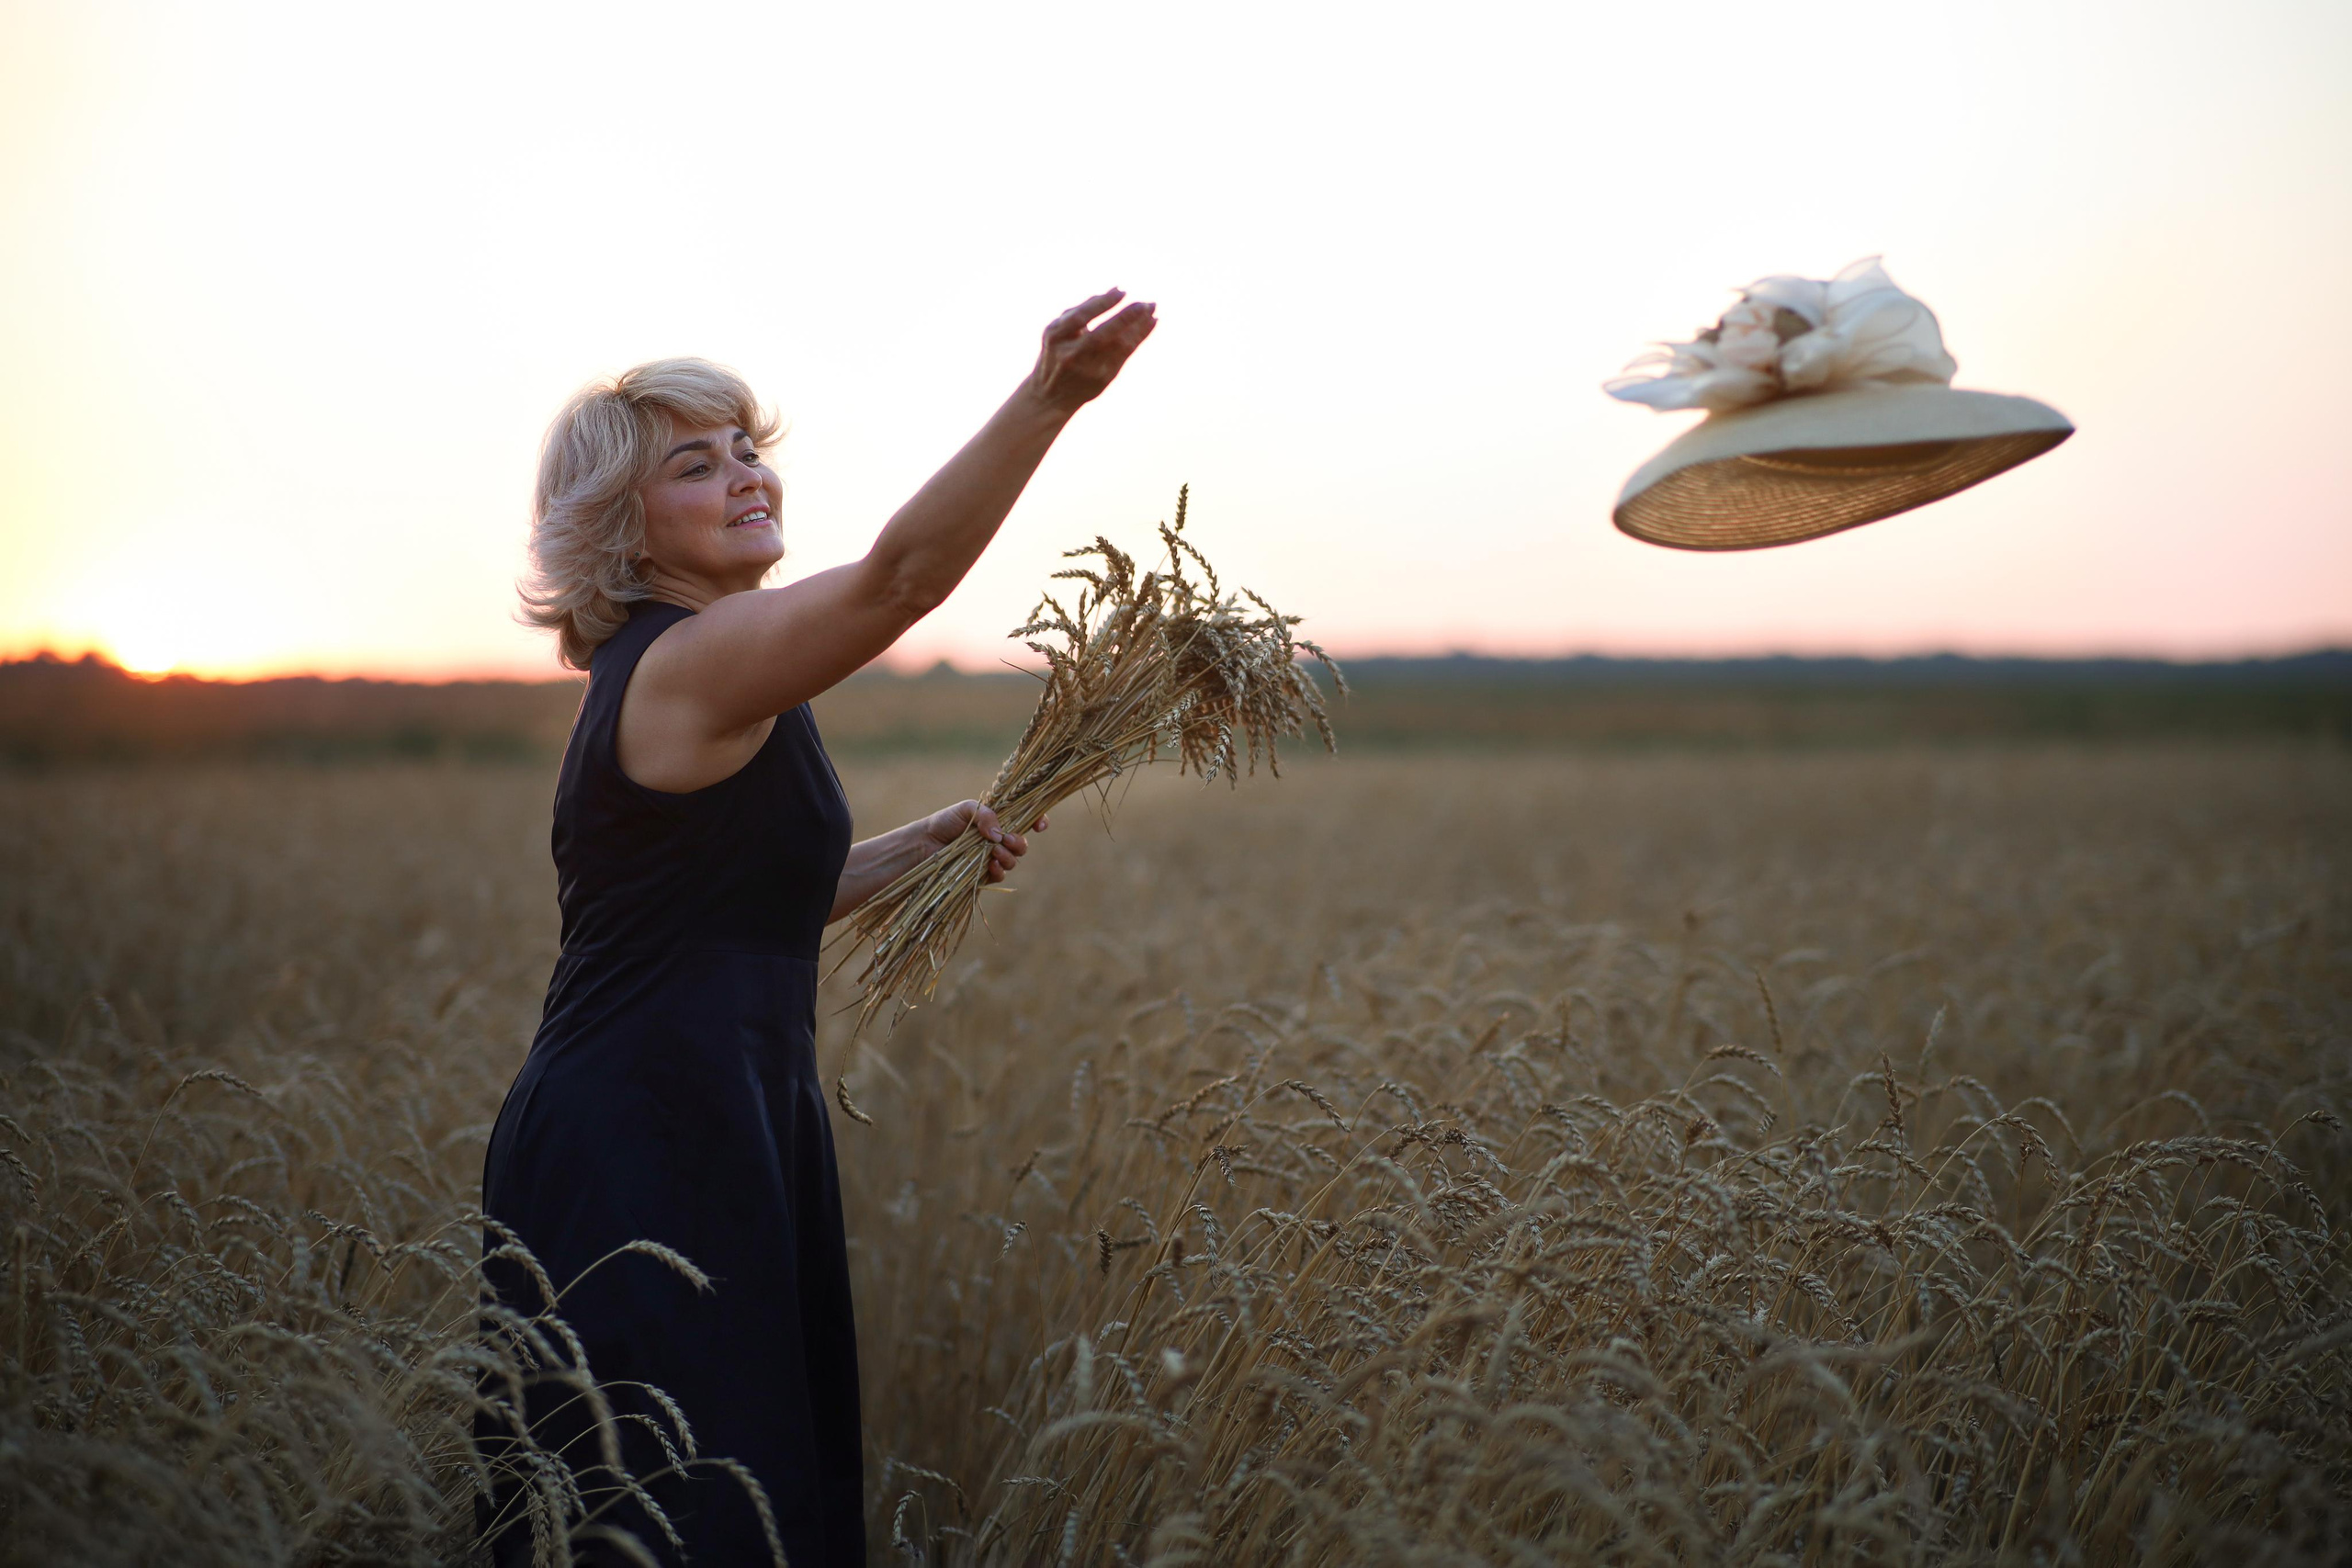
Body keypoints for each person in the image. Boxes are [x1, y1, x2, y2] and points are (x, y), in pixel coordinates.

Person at [478, 290, 1157, 1565]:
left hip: (718, 1118)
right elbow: (902, 579)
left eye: (747, 449)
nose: (744, 475)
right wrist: (1049, 400)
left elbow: (708, 905)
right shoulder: (687, 660)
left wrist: (911, 851)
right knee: (675, 1516)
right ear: (621, 529)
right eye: (697, 462)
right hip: (646, 1131)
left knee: (735, 1497)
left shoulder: (716, 666)